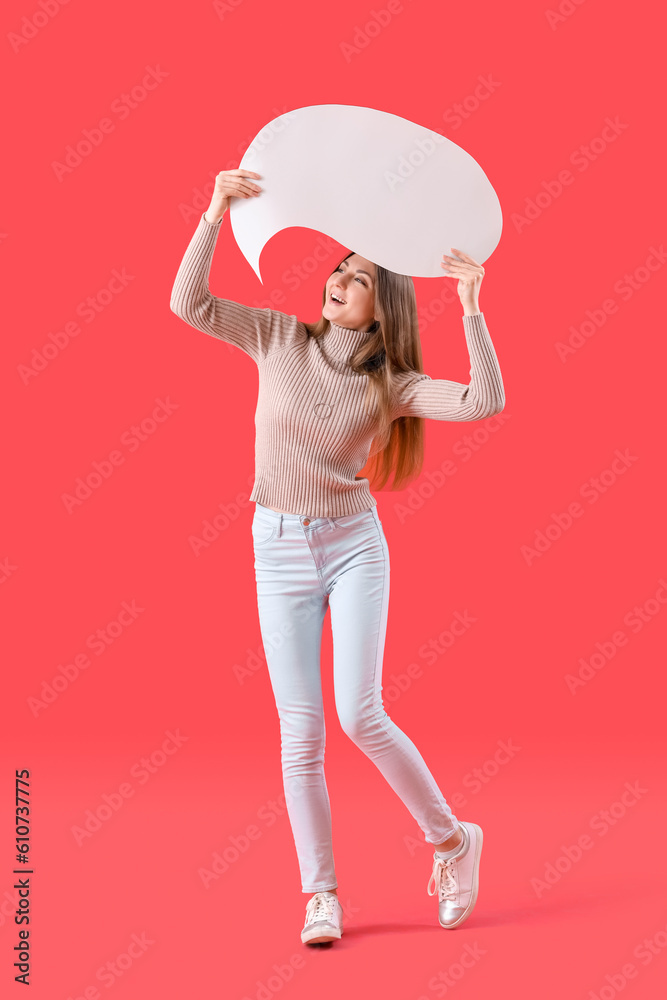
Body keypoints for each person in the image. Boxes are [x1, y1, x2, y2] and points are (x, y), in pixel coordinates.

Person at [170, 167, 505, 947]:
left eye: (357, 279)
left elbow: (482, 400)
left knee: (360, 713)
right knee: (301, 733)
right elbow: (188, 303)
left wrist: (470, 308)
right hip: (276, 547)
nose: (338, 281)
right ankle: (320, 896)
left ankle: (453, 841)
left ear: (381, 306)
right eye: (338, 270)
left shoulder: (389, 380)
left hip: (353, 547)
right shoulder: (278, 337)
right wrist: (212, 209)